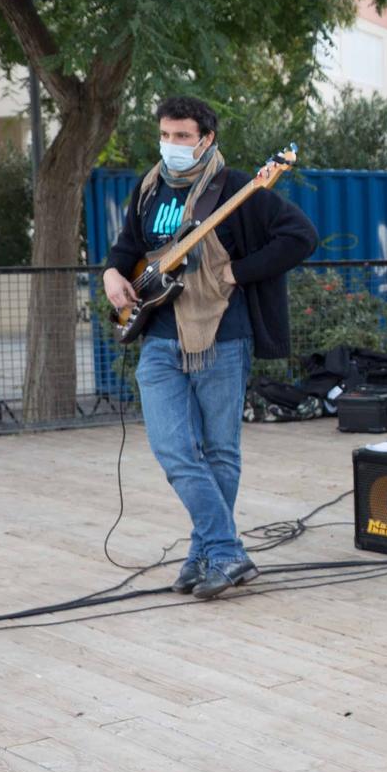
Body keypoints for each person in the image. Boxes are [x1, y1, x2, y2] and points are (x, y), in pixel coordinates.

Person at [102, 96, 316, 599]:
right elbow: (127, 249)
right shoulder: (149, 187)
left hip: (221, 335)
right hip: (157, 335)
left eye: (183, 136)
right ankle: (225, 551)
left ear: (207, 139)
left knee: (220, 451)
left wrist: (235, 273)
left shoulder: (237, 187)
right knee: (174, 450)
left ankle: (205, 555)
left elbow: (300, 236)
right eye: (166, 135)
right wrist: (113, 273)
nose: (172, 145)